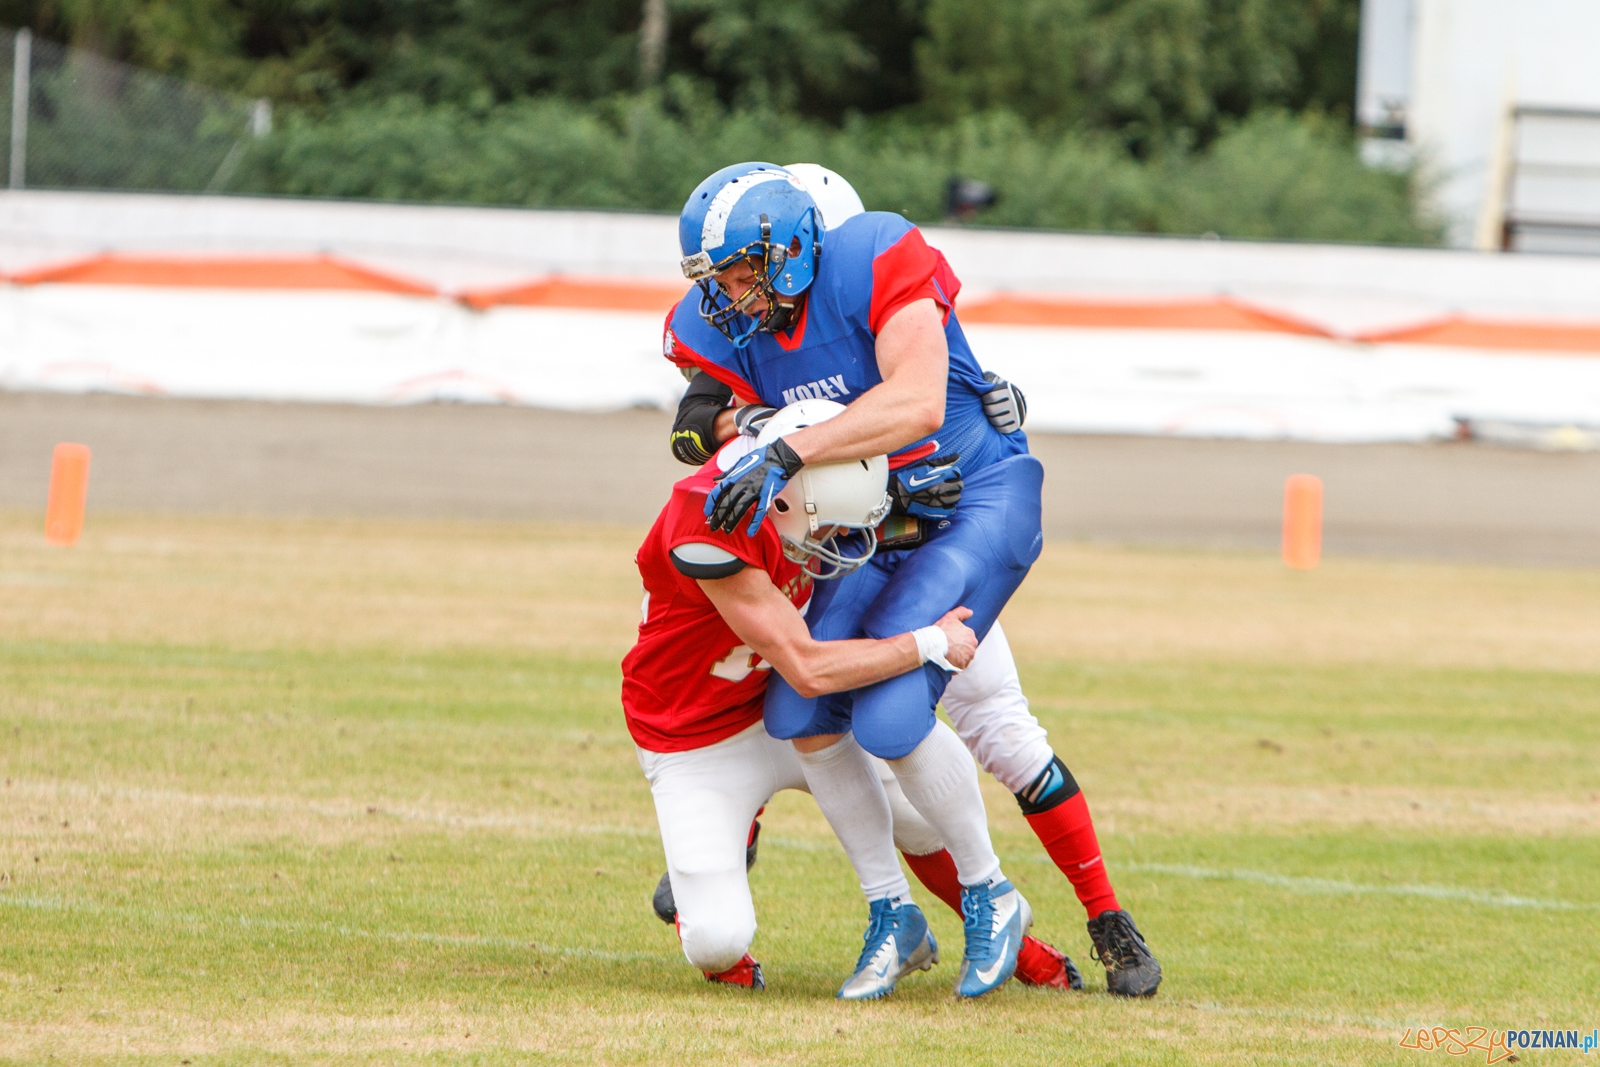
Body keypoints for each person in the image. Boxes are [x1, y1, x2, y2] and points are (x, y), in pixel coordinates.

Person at [665, 161, 1160, 997]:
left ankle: (1047, 906)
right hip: (875, 536)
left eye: (741, 274)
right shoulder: (740, 327)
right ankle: (888, 907)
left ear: (799, 248)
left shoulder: (873, 260)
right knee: (795, 704)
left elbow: (922, 402)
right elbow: (693, 426)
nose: (729, 296)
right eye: (722, 279)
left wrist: (793, 446)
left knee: (955, 723)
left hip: (973, 510)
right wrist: (758, 427)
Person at [627, 408, 1058, 998]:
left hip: (776, 707)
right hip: (695, 739)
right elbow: (805, 666)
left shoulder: (798, 488)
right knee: (717, 939)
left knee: (915, 817)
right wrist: (926, 643)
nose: (834, 543)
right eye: (828, 526)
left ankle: (988, 931)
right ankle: (719, 910)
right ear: (781, 500)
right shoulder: (709, 520)